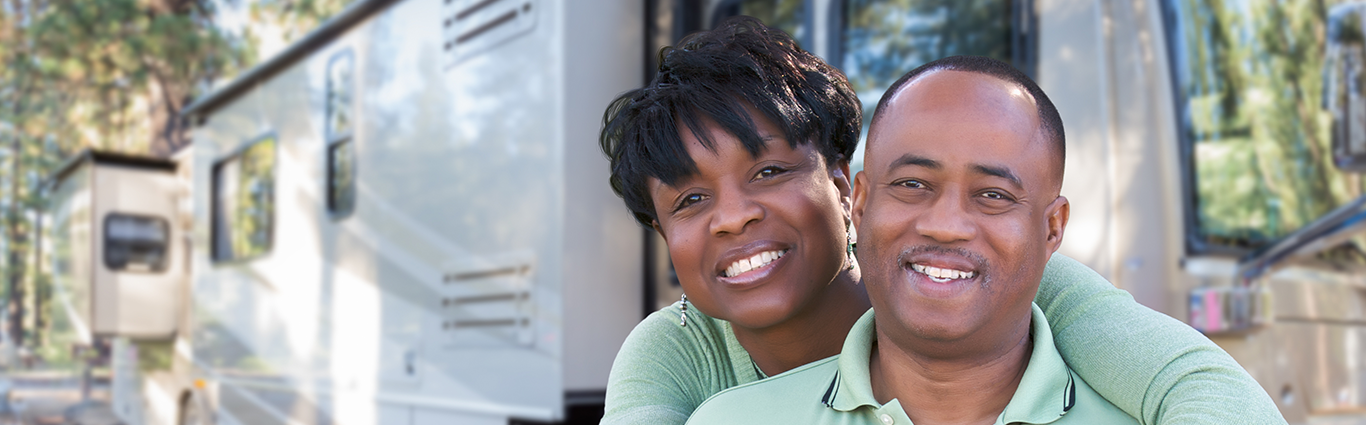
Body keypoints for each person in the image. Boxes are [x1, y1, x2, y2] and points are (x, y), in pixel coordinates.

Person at [599, 17, 1284, 425]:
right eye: (689, 201)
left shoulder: (1018, 285)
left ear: (846, 191)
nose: (733, 217)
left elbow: (1207, 393)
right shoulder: (678, 355)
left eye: (769, 172)